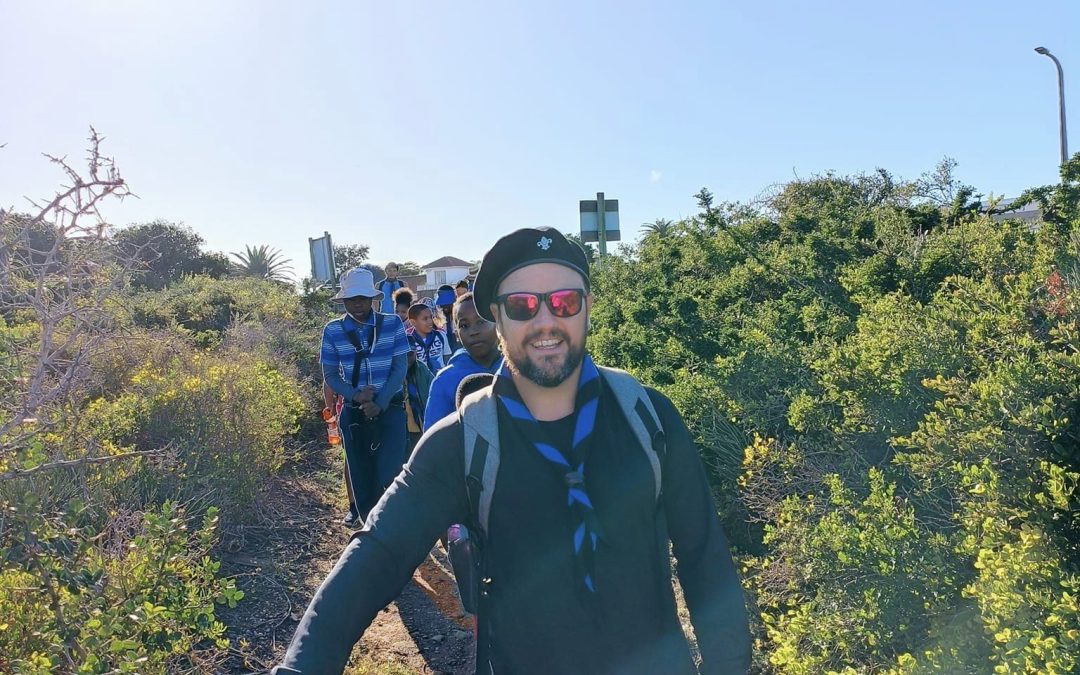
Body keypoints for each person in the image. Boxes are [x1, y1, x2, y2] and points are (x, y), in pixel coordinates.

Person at [276, 228, 751, 675]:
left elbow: (704, 555)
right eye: (522, 305)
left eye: (565, 301)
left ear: (586, 309)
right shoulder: (462, 440)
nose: (546, 320)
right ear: (497, 318)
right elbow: (377, 553)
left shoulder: (647, 417)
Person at [320, 267, 410, 527]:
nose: (357, 303)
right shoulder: (332, 331)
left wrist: (379, 403)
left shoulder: (391, 324)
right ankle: (370, 530)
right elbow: (331, 375)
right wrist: (357, 396)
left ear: (373, 298)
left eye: (362, 297)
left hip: (389, 408)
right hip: (353, 411)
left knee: (391, 471)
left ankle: (393, 527)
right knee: (360, 474)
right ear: (344, 301)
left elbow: (400, 367)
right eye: (351, 298)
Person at [422, 291, 501, 431]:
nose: (473, 331)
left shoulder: (518, 369)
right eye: (464, 325)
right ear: (456, 334)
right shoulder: (445, 380)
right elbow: (433, 438)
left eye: (481, 321)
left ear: (499, 324)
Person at [403, 334, 435, 454]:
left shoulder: (423, 370)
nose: (407, 359)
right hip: (401, 429)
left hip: (421, 427)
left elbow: (433, 396)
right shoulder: (392, 373)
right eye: (403, 354)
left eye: (410, 354)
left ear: (416, 353)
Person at [407, 302, 451, 372]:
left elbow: (447, 357)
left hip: (440, 377)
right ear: (413, 322)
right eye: (425, 319)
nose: (430, 321)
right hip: (420, 380)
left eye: (431, 317)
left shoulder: (441, 335)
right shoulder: (408, 341)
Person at [436, 284, 462, 353]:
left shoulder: (460, 316)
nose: (444, 307)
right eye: (442, 304)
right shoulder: (437, 319)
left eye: (447, 304)